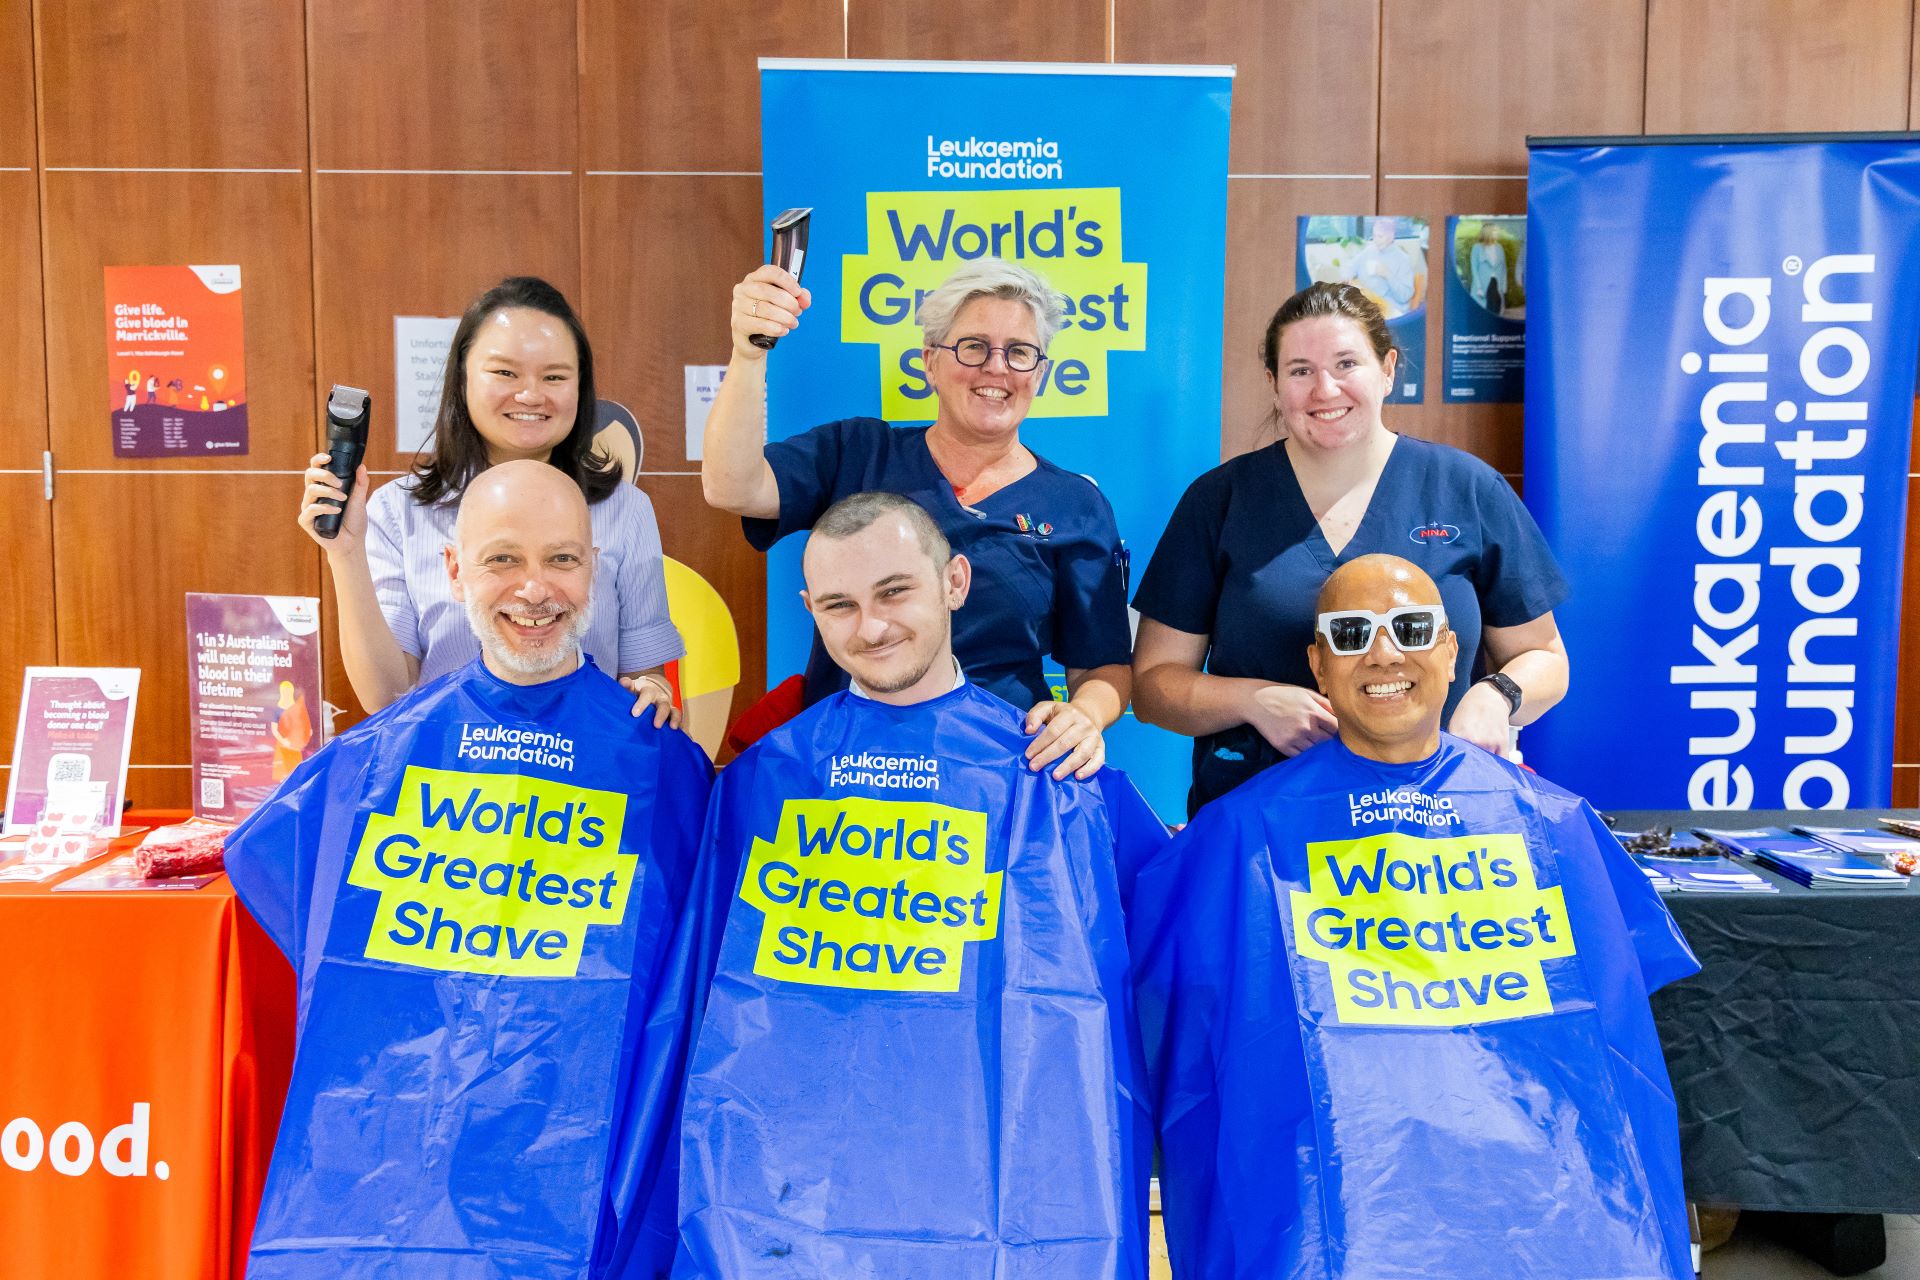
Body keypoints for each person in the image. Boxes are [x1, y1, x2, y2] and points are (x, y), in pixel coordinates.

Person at [1129, 554, 1697, 1280]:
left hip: (1543, 1185)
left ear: (1451, 649)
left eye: (1410, 627)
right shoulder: (1244, 835)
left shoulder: (1549, 822)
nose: (1383, 651)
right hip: (1340, 1195)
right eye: (1351, 632)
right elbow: (1164, 1000)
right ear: (1319, 665)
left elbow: (1614, 1018)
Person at [229, 461, 713, 1279]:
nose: (535, 589)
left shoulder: (658, 759)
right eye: (501, 559)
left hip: (575, 1152)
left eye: (562, 559)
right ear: (454, 571)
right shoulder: (380, 755)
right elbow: (273, 863)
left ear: (595, 568)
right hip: (402, 1147)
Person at [674, 492, 1165, 1278]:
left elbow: (1161, 978)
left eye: (895, 591)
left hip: (991, 1188)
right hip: (796, 1199)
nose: (870, 628)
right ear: (811, 610)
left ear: (956, 582)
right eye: (840, 605)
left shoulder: (1052, 772)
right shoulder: (765, 780)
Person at [1131, 280, 1570, 817]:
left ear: (1387, 369)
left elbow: (1546, 658)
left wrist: (1496, 695)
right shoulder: (1220, 502)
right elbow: (1155, 686)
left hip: (1437, 822)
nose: (1325, 389)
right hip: (1261, 826)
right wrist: (1251, 700)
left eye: (1346, 364)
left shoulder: (1466, 489)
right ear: (1273, 384)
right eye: (1300, 371)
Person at [701, 256, 1131, 780]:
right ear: (929, 362)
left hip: (1000, 775)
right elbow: (731, 486)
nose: (997, 368)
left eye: (1019, 352)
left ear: (1039, 374)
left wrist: (1085, 715)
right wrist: (749, 353)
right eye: (973, 347)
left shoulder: (1074, 505)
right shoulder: (857, 453)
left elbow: (1103, 666)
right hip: (848, 768)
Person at [297, 275, 683, 725]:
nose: (530, 395)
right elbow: (387, 694)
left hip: (582, 781)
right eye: (505, 372)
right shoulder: (394, 513)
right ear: (462, 378)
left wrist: (653, 691)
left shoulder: (626, 509)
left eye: (555, 376)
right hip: (449, 781)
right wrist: (345, 554)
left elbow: (645, 678)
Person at [1471, 221, 1510, 314]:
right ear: (1488, 233)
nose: (1497, 233)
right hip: (1483, 286)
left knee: (1497, 311)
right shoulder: (1477, 248)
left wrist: (1504, 286)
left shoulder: (1499, 247)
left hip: (1497, 285)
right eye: (1494, 231)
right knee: (1484, 311)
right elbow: (1474, 269)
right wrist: (1479, 288)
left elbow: (1504, 268)